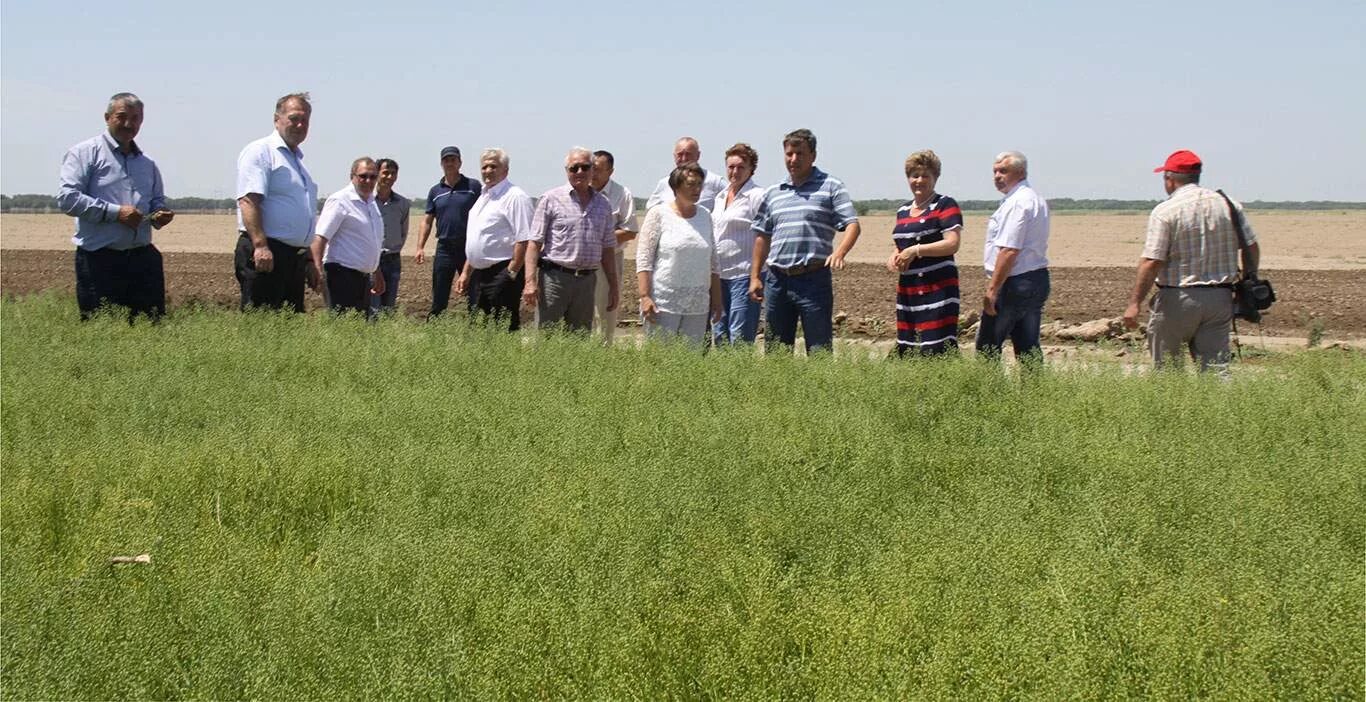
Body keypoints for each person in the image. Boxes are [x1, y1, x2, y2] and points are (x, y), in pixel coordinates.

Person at [1123, 150, 1260, 374]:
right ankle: (1218, 409)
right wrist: (1249, 279)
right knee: (1216, 370)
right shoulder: (1228, 205)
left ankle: (1174, 409)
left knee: (1168, 371)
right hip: (1220, 297)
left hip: (1177, 297)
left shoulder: (1166, 210)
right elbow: (1251, 246)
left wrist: (1134, 303)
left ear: (1169, 179)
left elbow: (1152, 260)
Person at [57, 92, 175, 322]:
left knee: (150, 328)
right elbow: (67, 198)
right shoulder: (84, 153)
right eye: (122, 117)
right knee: (101, 328)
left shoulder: (147, 164)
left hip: (142, 258)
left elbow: (156, 202)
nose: (129, 124)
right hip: (99, 259)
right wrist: (115, 213)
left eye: (136, 118)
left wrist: (160, 214)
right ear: (107, 117)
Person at [748, 128, 861, 354]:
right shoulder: (773, 192)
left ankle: (818, 389)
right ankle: (779, 390)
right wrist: (755, 277)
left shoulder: (830, 186)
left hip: (813, 279)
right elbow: (762, 235)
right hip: (777, 280)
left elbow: (852, 225)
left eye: (800, 153)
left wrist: (839, 253)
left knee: (819, 350)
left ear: (813, 156)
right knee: (776, 352)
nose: (794, 159)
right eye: (789, 154)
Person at [235, 92, 320, 312]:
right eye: (294, 118)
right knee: (262, 327)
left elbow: (304, 213)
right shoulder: (261, 151)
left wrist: (309, 259)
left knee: (288, 331)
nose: (300, 124)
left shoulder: (298, 162)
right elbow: (248, 200)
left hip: (294, 259)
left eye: (305, 120)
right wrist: (260, 245)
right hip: (268, 254)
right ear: (276, 119)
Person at [522, 148, 619, 333]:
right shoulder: (550, 199)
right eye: (574, 168)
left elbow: (607, 249)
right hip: (554, 280)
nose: (580, 172)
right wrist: (530, 282)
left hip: (587, 281)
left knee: (579, 341)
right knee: (546, 338)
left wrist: (613, 287)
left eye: (585, 167)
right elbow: (534, 243)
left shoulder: (603, 204)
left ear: (593, 170)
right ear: (567, 171)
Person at [886, 150, 963, 356]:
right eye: (914, 175)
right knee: (908, 346)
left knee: (935, 347)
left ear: (935, 178)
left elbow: (952, 244)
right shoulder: (902, 210)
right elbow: (902, 244)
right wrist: (895, 256)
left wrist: (915, 251)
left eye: (925, 176)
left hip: (937, 289)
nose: (919, 180)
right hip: (909, 291)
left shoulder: (945, 204)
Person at [637, 163, 723, 346]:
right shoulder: (658, 214)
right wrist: (645, 296)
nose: (697, 189)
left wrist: (716, 300)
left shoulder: (705, 215)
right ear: (676, 187)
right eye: (691, 184)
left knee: (689, 364)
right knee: (659, 361)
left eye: (700, 184)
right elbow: (644, 258)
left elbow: (713, 262)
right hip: (663, 302)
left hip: (698, 304)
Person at [977, 150, 1050, 364]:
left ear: (1020, 172)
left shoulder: (1017, 203)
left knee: (988, 346)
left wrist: (992, 289)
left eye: (1003, 171)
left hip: (1014, 282)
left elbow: (1009, 250)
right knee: (1028, 347)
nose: (997, 176)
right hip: (1036, 279)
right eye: (995, 171)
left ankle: (988, 394)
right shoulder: (1035, 199)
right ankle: (1034, 393)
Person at [456, 148, 532, 331]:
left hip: (502, 272)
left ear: (505, 170)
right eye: (484, 167)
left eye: (493, 166)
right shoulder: (484, 196)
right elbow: (478, 237)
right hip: (479, 275)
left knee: (504, 327)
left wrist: (511, 273)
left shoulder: (515, 197)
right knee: (480, 328)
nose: (488, 171)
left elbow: (524, 239)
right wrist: (467, 272)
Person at [309, 157, 385, 316]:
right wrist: (316, 269)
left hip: (363, 279)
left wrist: (376, 272)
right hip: (341, 276)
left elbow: (370, 242)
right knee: (342, 328)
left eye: (372, 176)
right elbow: (320, 237)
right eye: (363, 176)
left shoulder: (371, 203)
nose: (368, 180)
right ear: (352, 176)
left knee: (357, 331)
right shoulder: (340, 201)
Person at [414, 146, 481, 317]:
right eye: (446, 160)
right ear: (441, 163)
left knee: (475, 295)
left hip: (469, 247)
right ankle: (434, 332)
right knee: (439, 295)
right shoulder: (435, 191)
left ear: (460, 162)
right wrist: (420, 247)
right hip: (444, 247)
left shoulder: (473, 186)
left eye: (453, 159)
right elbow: (428, 220)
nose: (450, 163)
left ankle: (477, 334)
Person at [710, 143, 764, 345]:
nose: (735, 172)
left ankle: (740, 375)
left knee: (739, 335)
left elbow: (766, 235)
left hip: (744, 274)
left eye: (741, 167)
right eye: (731, 167)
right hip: (719, 276)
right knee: (719, 332)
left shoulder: (757, 196)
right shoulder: (720, 196)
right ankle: (724, 376)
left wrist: (756, 277)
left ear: (751, 169)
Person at [590, 150, 637, 344]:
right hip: (580, 262)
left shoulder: (622, 194)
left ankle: (604, 352)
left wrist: (597, 240)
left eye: (598, 169)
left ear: (611, 171)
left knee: (606, 312)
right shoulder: (579, 191)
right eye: (590, 167)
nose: (592, 173)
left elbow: (630, 231)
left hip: (609, 261)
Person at [370, 158, 410, 315]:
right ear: (377, 173)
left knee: (389, 308)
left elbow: (403, 232)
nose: (389, 177)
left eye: (393, 173)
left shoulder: (402, 203)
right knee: (373, 309)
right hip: (373, 260)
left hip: (393, 260)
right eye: (386, 173)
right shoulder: (367, 201)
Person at [643, 136, 727, 210]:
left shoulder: (716, 183)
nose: (684, 159)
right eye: (680, 154)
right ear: (674, 156)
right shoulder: (664, 183)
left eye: (688, 154)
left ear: (698, 155)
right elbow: (651, 209)